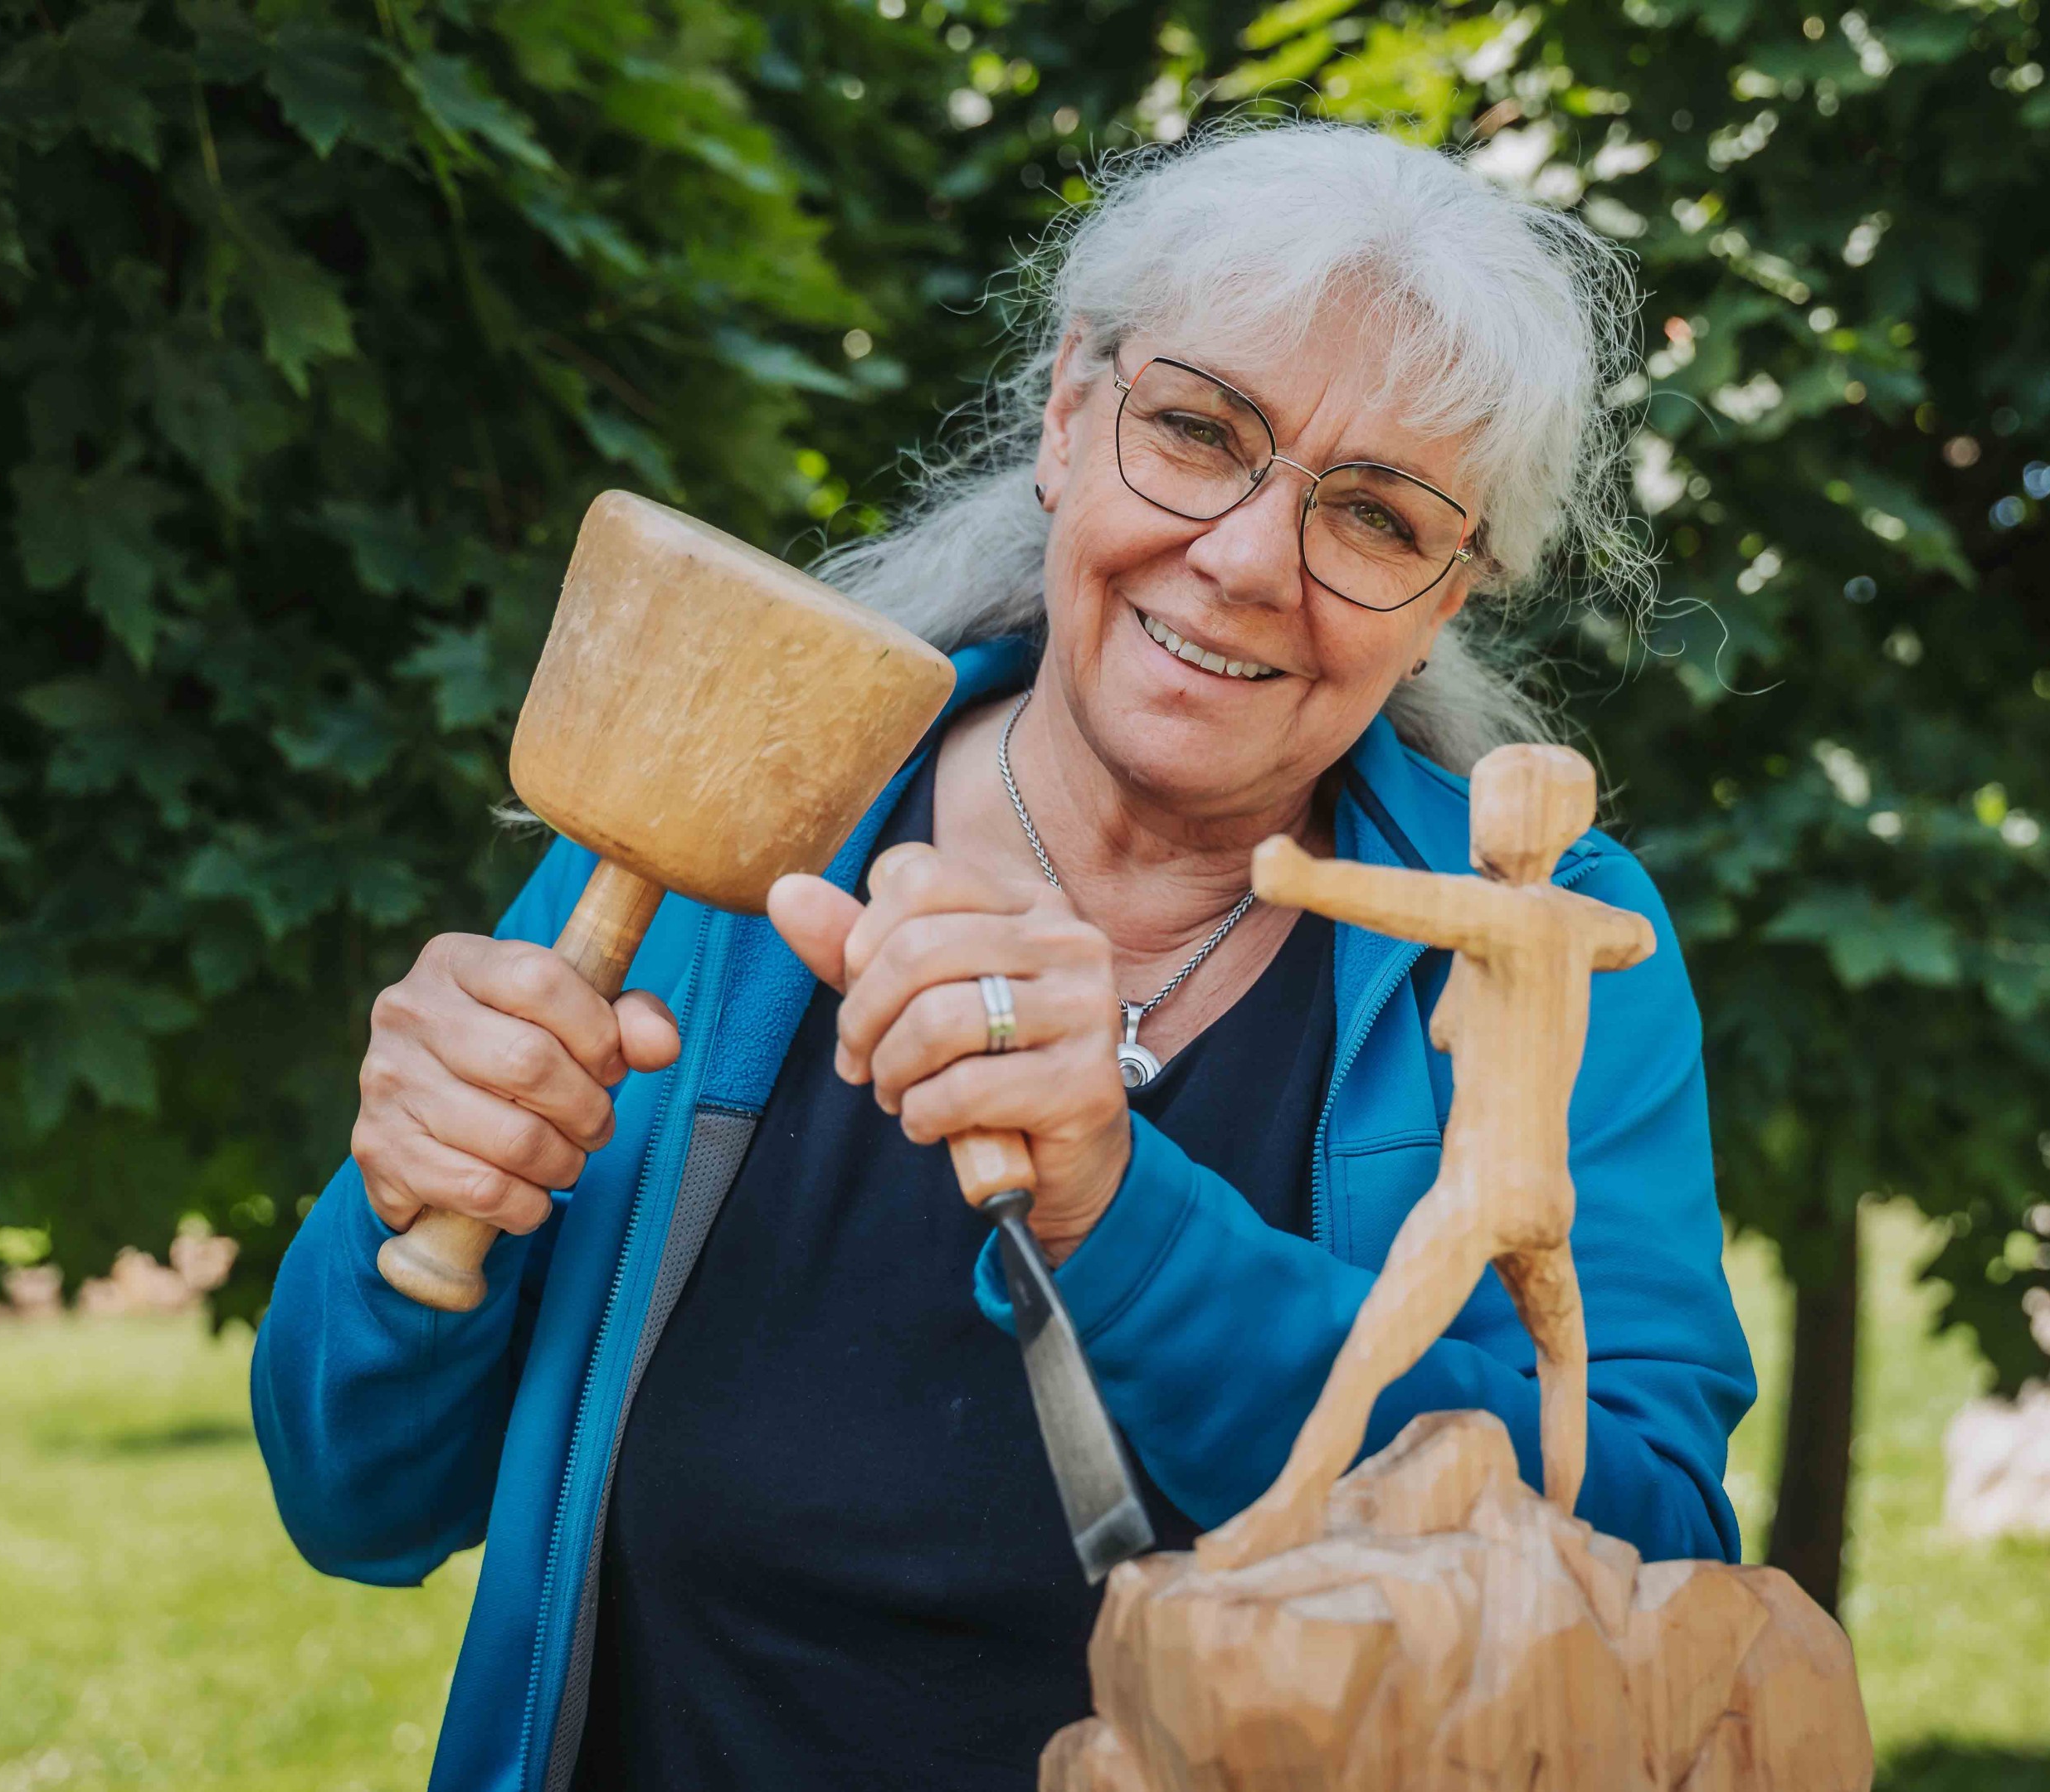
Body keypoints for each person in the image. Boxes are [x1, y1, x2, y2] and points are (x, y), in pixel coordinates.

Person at [251, 120, 1757, 1792]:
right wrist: (403, 1205)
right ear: (1065, 416)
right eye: (1197, 431)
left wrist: (1124, 1222)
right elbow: (357, 1498)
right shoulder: (737, 823)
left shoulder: (1547, 932)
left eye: (1382, 519)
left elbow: (1649, 1557)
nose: (1252, 561)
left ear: (1450, 593)